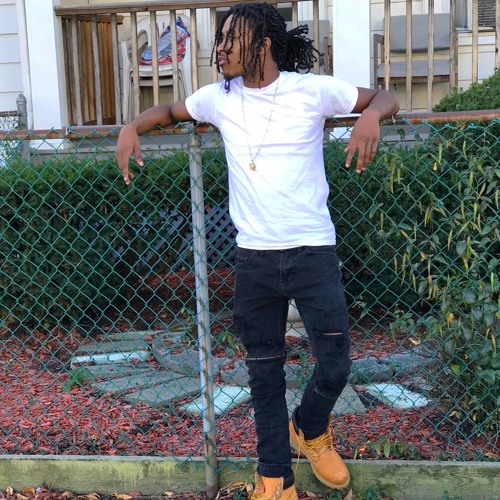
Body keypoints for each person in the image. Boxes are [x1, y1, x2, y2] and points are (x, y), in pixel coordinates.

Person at [116, 3, 399, 499]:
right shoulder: (219, 98)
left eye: (231, 39)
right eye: (220, 39)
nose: (220, 49)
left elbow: (384, 95)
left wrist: (371, 115)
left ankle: (309, 428)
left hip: (313, 251)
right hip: (255, 259)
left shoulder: (310, 90)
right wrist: (130, 127)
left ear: (263, 46)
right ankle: (274, 480)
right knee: (264, 374)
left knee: (335, 362)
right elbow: (170, 111)